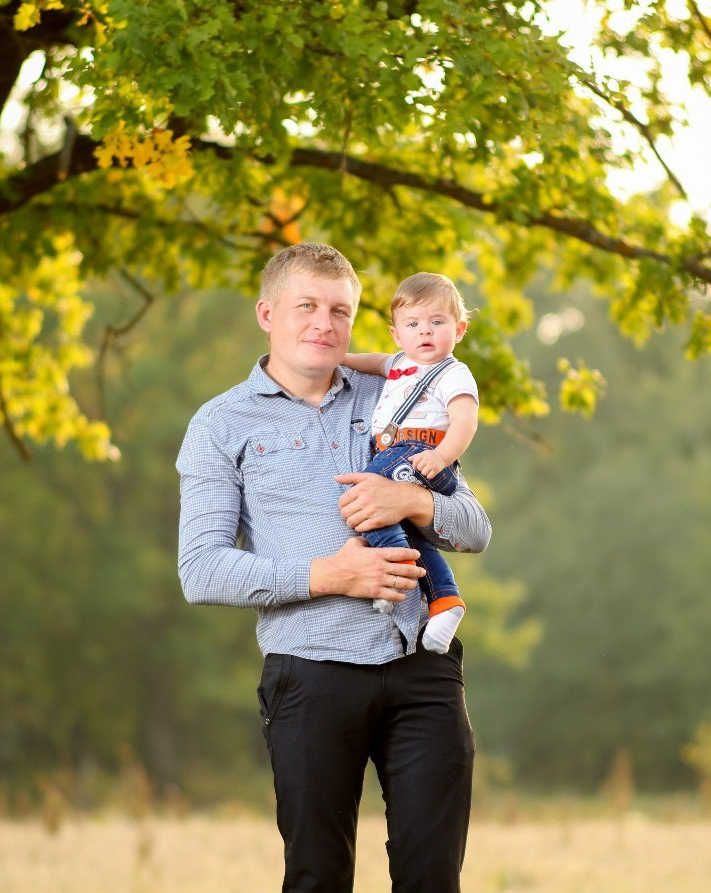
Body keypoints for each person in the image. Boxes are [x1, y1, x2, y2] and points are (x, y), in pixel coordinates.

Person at [176, 242, 491, 893]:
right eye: (307, 306)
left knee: (433, 878)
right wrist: (330, 574)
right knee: (318, 877)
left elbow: (475, 528)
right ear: (268, 312)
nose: (324, 322)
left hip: (422, 669)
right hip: (311, 674)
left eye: (340, 310)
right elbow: (201, 569)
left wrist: (414, 501)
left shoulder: (400, 391)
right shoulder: (220, 424)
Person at [342, 272, 479, 655]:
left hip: (424, 453)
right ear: (396, 334)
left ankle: (395, 579)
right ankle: (445, 601)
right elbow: (374, 362)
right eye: (413, 324)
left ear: (460, 329)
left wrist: (441, 456)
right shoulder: (401, 362)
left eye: (437, 323)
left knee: (363, 494)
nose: (426, 332)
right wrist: (341, 359)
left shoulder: (452, 373)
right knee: (408, 531)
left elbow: (466, 420)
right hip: (398, 453)